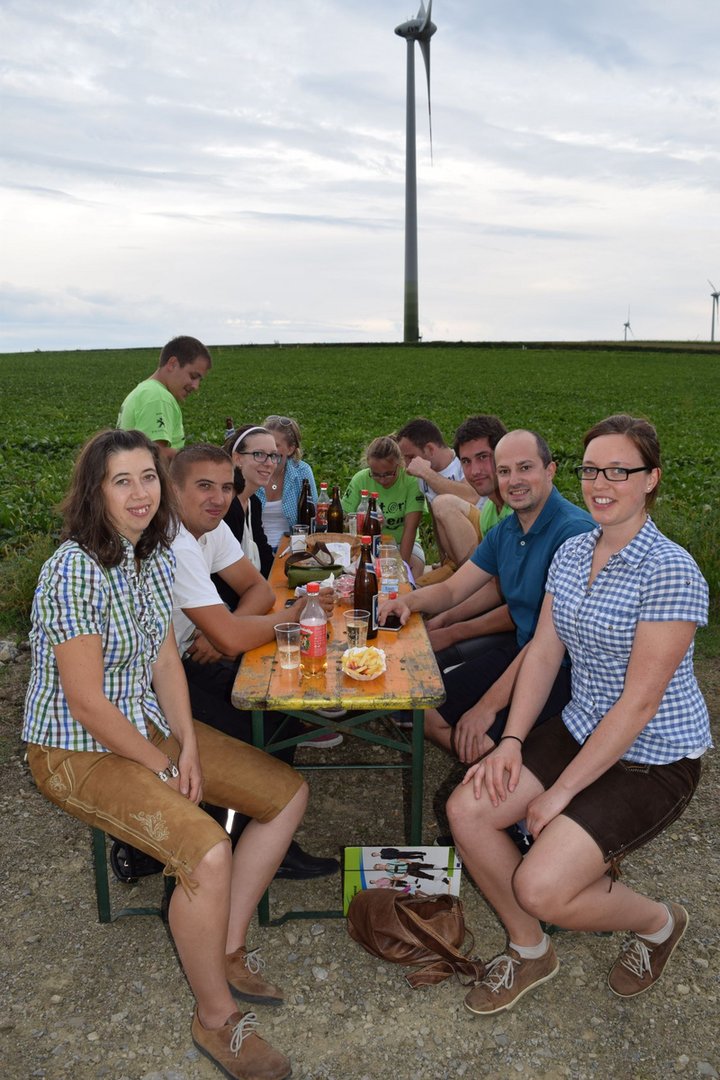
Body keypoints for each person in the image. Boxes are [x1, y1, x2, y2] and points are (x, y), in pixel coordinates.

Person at [22, 428, 303, 1080]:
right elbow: (87, 703)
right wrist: (167, 767)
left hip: (145, 726)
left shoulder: (148, 555)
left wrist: (189, 746)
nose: (139, 493)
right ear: (95, 491)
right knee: (206, 849)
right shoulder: (73, 569)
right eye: (121, 481)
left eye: (147, 477)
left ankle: (225, 946)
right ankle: (215, 1019)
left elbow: (165, 660)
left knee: (287, 794)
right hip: (74, 750)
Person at [447, 414, 711, 1015]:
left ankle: (659, 923)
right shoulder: (571, 552)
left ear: (650, 479)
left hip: (652, 755)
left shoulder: (670, 570)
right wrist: (511, 740)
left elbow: (640, 703)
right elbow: (543, 652)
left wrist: (559, 793)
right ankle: (530, 948)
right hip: (580, 726)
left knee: (540, 886)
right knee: (468, 810)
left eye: (619, 471)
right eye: (593, 470)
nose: (601, 484)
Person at [170, 443, 341, 875]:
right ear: (174, 490)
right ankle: (236, 838)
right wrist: (291, 616)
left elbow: (260, 590)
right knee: (257, 721)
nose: (218, 498)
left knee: (281, 708)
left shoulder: (209, 528)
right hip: (158, 674)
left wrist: (225, 630)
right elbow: (238, 632)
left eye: (226, 487)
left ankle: (266, 835)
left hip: (192, 650)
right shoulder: (176, 541)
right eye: (204, 486)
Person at [379, 430, 595, 763]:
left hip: (568, 669)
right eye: (505, 471)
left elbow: (550, 646)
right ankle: (491, 768)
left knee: (478, 734)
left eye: (525, 468)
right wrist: (406, 601)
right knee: (427, 712)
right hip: (521, 648)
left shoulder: (574, 534)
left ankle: (503, 771)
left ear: (550, 470)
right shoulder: (506, 531)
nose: (514, 480)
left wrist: (486, 707)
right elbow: (453, 589)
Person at [419, 414, 511, 585]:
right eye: (466, 461)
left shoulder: (521, 511)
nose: (475, 471)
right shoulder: (489, 513)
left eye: (483, 457)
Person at [342, 435, 426, 579]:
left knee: (412, 570)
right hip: (364, 545)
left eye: (388, 474)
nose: (382, 480)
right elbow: (344, 520)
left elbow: (410, 528)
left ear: (399, 464)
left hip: (401, 543)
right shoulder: (360, 479)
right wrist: (362, 522)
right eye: (375, 475)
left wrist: (402, 568)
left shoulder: (411, 481)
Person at [117, 336, 211, 459]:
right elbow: (154, 454)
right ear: (172, 364)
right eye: (193, 376)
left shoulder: (145, 390)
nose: (196, 386)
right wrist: (197, 460)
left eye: (199, 380)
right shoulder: (158, 397)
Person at [220, 425, 277, 581]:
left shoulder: (253, 503)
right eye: (259, 454)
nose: (269, 463)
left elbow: (265, 558)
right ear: (237, 459)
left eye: (273, 455)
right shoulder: (227, 507)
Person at [253, 415, 318, 549]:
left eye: (275, 445)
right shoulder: (251, 469)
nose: (268, 450)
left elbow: (314, 515)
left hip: (291, 549)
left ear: (290, 449)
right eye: (264, 445)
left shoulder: (302, 472)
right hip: (253, 549)